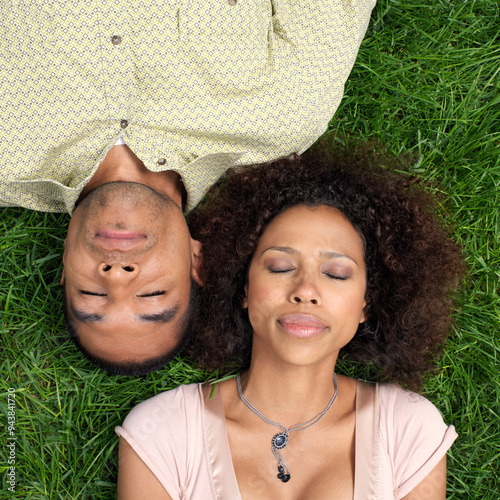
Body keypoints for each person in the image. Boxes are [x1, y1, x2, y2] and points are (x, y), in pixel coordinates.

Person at [0, 0, 377, 374]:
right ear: (197, 259)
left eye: (93, 294)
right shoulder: (284, 116)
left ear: (65, 267)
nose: (117, 275)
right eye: (152, 293)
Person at [115, 141, 466, 498]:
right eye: (281, 267)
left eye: (336, 274)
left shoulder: (407, 427)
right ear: (243, 288)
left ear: (366, 304)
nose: (306, 289)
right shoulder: (164, 430)